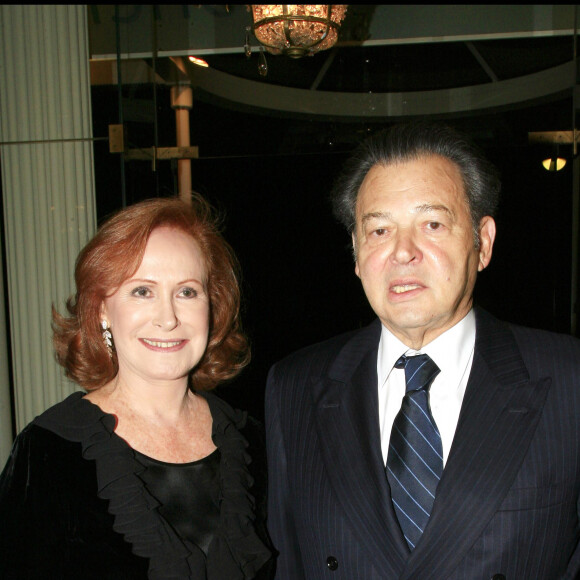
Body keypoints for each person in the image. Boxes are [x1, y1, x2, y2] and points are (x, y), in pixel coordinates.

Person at [265, 122, 580, 579]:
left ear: (482, 241)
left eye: (431, 224)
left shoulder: (568, 380)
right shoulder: (295, 385)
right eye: (378, 231)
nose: (402, 252)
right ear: (355, 252)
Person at [0, 196, 272, 579]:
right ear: (101, 310)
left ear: (213, 307)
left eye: (187, 292)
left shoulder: (253, 445)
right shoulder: (48, 454)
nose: (168, 318)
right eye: (142, 291)